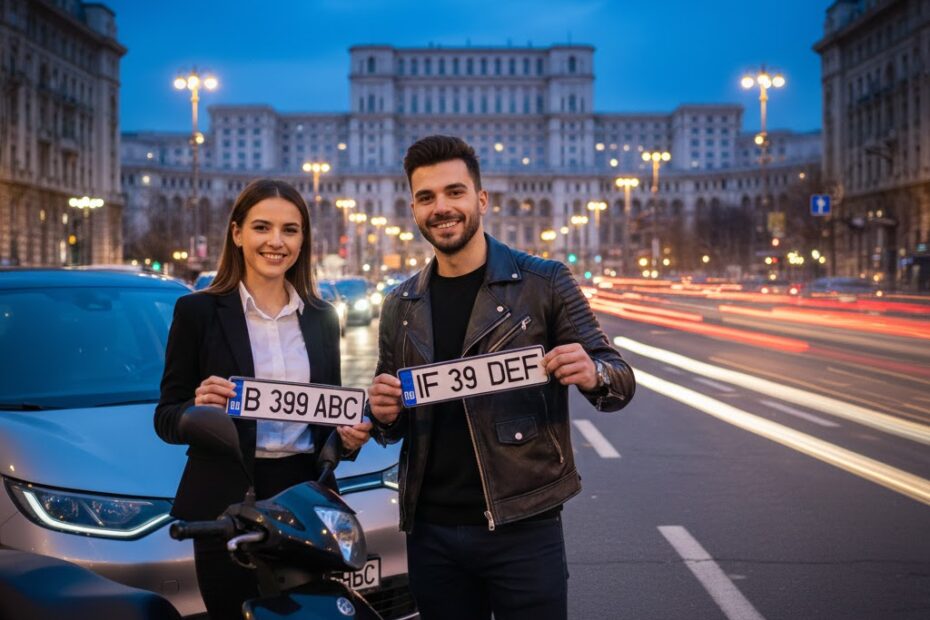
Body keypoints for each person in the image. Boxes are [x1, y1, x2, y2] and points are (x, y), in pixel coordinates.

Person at [366, 136, 636, 620]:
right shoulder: (400, 303)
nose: (441, 208)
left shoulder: (545, 282)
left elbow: (619, 381)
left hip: (523, 526)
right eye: (426, 197)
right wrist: (384, 414)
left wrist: (593, 373)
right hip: (430, 533)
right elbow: (393, 422)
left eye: (454, 192)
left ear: (482, 199)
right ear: (413, 210)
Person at [155, 178, 372, 619]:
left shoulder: (322, 318)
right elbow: (167, 417)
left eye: (290, 230)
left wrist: (348, 439)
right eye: (262, 227)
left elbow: (329, 420)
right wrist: (196, 409)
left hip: (305, 503)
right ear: (237, 234)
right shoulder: (197, 312)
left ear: (303, 240)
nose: (276, 241)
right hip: (225, 501)